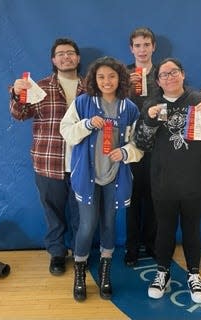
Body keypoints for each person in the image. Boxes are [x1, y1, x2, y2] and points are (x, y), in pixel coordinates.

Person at [134, 58, 201, 304]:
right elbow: (141, 143)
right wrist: (149, 120)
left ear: (183, 74)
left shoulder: (199, 100)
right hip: (163, 180)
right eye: (164, 74)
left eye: (174, 72)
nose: (169, 77)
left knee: (191, 230)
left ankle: (194, 274)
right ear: (157, 81)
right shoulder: (151, 104)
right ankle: (162, 272)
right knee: (164, 229)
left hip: (195, 180)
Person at [60, 56, 143, 302]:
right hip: (88, 177)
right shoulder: (83, 103)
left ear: (120, 79)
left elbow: (138, 143)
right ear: (93, 80)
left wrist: (126, 151)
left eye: (112, 76)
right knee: (86, 226)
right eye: (101, 77)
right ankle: (80, 275)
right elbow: (66, 131)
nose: (107, 81)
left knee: (109, 225)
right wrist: (86, 124)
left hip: (115, 176)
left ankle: (106, 275)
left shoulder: (129, 108)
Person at [9, 38, 85, 275]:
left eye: (70, 53)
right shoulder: (39, 87)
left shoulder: (91, 87)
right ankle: (57, 254)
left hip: (84, 163)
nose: (66, 57)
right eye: (60, 53)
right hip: (48, 162)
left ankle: (80, 253)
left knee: (82, 214)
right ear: (53, 60)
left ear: (78, 58)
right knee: (53, 212)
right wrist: (16, 93)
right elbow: (20, 114)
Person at [124, 27, 158, 267]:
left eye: (146, 45)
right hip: (131, 146)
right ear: (131, 49)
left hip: (158, 147)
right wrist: (125, 87)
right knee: (132, 201)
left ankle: (153, 245)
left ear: (153, 47)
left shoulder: (163, 73)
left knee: (156, 200)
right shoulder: (121, 74)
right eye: (138, 45)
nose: (142, 50)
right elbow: (112, 104)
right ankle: (132, 248)